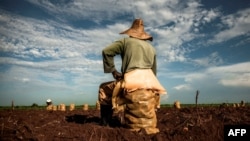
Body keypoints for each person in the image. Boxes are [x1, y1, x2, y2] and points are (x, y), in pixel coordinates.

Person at [98, 18, 167, 134]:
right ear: (143, 36)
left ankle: (105, 124)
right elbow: (154, 72)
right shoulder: (152, 49)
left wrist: (114, 71)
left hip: (131, 81)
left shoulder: (125, 42)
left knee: (103, 89)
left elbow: (106, 51)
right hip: (150, 82)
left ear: (131, 33)